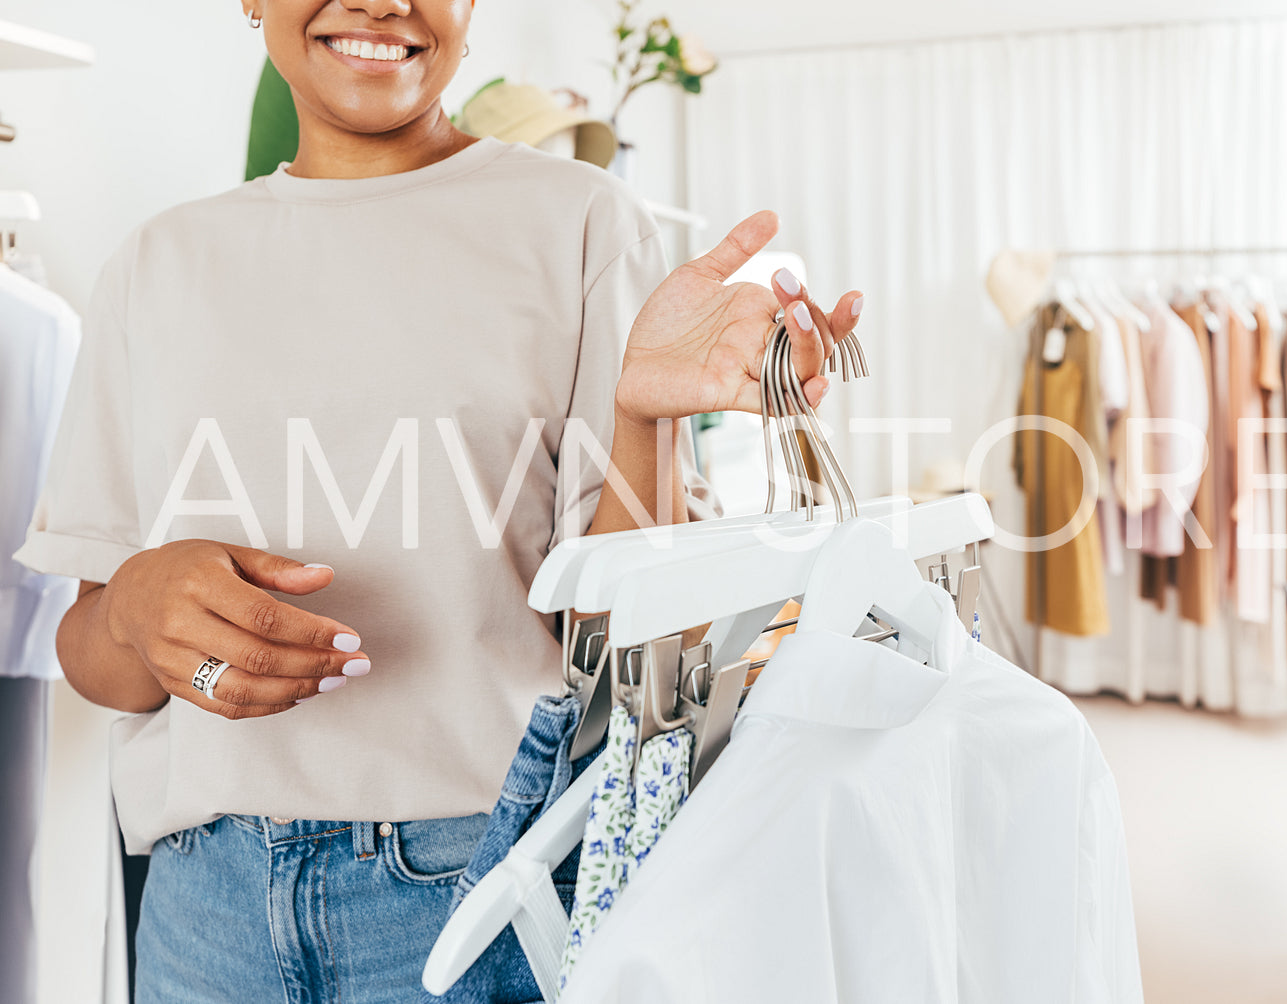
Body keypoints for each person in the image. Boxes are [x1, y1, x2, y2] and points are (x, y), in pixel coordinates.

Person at [13, 1, 862, 1000]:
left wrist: (643, 417)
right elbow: (94, 660)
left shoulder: (582, 225)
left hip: (476, 893)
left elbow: (624, 658)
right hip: (207, 911)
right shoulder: (154, 266)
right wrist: (133, 604)